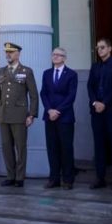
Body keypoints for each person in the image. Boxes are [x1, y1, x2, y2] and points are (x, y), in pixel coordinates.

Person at [0, 42, 38, 187]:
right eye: (6, 52)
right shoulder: (1, 71)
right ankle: (10, 175)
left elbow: (33, 95)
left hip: (19, 115)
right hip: (4, 114)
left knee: (20, 147)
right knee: (6, 147)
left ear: (18, 54)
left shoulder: (26, 71)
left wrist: (31, 114)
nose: (8, 54)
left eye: (11, 52)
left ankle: (20, 177)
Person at [88, 38, 112, 190]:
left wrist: (105, 103)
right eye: (98, 48)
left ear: (109, 48)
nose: (100, 50)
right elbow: (90, 86)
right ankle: (100, 177)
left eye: (102, 47)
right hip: (97, 111)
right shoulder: (95, 66)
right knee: (99, 145)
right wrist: (95, 102)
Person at [42, 47, 78, 189]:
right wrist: (49, 110)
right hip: (49, 116)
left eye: (59, 55)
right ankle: (54, 178)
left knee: (66, 148)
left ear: (64, 58)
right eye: (54, 54)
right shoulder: (47, 73)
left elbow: (71, 96)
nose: (55, 57)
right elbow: (43, 93)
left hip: (65, 117)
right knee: (52, 148)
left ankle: (68, 180)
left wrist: (57, 111)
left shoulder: (71, 74)